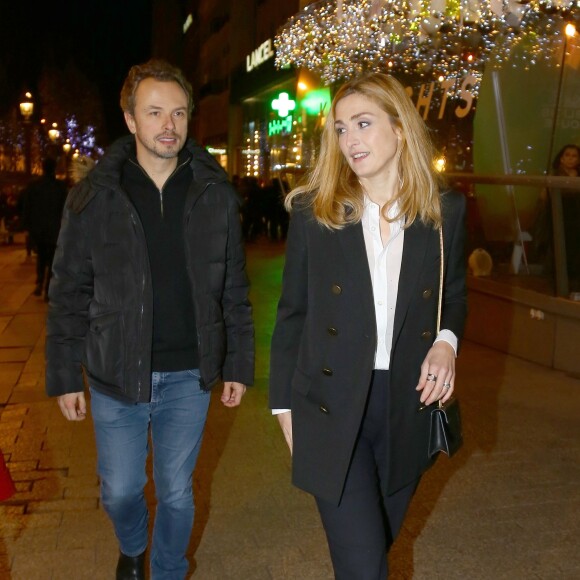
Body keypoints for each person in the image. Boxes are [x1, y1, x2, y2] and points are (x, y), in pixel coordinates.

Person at [45, 59, 254, 580]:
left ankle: (165, 571)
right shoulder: (93, 198)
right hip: (118, 374)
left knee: (178, 492)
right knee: (119, 491)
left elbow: (234, 289)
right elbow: (68, 290)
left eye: (179, 113)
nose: (169, 125)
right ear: (131, 119)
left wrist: (239, 365)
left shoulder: (215, 195)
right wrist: (65, 373)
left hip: (190, 373)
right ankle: (133, 544)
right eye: (155, 112)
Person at [269, 72, 467, 579]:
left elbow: (452, 294)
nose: (349, 140)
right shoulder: (317, 215)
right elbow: (292, 313)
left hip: (408, 404)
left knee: (374, 549)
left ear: (400, 128)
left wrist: (446, 342)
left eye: (362, 123)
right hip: (331, 406)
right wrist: (284, 407)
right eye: (339, 129)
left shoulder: (443, 212)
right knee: (362, 566)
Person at [21, 158, 68, 297]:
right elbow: (66, 209)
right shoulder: (60, 187)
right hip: (55, 229)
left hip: (39, 229)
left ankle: (40, 282)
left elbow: (27, 207)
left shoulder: (34, 186)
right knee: (52, 260)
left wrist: (27, 226)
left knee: (41, 257)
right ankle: (48, 287)